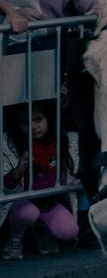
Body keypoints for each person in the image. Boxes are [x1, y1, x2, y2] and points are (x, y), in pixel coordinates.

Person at [3, 101, 78, 258]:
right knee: (28, 212)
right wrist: (17, 171)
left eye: (38, 120)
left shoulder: (60, 141)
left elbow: (69, 174)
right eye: (26, 123)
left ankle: (42, 231)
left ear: (48, 119)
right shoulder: (13, 145)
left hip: (48, 202)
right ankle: (14, 239)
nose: (33, 126)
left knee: (69, 232)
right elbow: (6, 187)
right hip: (22, 203)